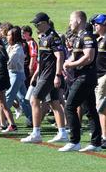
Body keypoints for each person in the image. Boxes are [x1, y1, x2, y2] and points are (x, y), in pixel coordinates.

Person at [21, 13, 69, 144]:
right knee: (54, 102)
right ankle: (62, 132)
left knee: (34, 99)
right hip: (44, 74)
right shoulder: (43, 37)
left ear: (45, 23)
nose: (35, 26)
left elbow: (60, 56)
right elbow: (43, 59)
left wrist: (58, 75)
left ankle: (36, 133)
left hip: (49, 75)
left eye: (37, 23)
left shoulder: (53, 37)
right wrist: (36, 74)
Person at [59, 11, 102, 152]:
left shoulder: (87, 36)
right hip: (82, 77)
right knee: (90, 110)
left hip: (85, 77)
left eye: (71, 20)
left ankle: (74, 141)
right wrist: (67, 63)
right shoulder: (79, 37)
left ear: (78, 20)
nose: (70, 22)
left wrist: (71, 65)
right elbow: (75, 55)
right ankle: (95, 143)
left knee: (70, 106)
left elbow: (89, 57)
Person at [5, 28, 33, 127]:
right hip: (13, 74)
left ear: (14, 37)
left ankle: (1, 119)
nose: (6, 36)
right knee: (23, 99)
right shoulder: (10, 47)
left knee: (8, 97)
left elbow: (10, 62)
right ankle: (32, 118)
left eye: (8, 35)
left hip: (16, 74)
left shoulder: (17, 48)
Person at [91, 14, 106, 149]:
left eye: (98, 23)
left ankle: (104, 137)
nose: (95, 25)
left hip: (103, 76)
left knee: (100, 107)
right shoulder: (98, 38)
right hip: (97, 77)